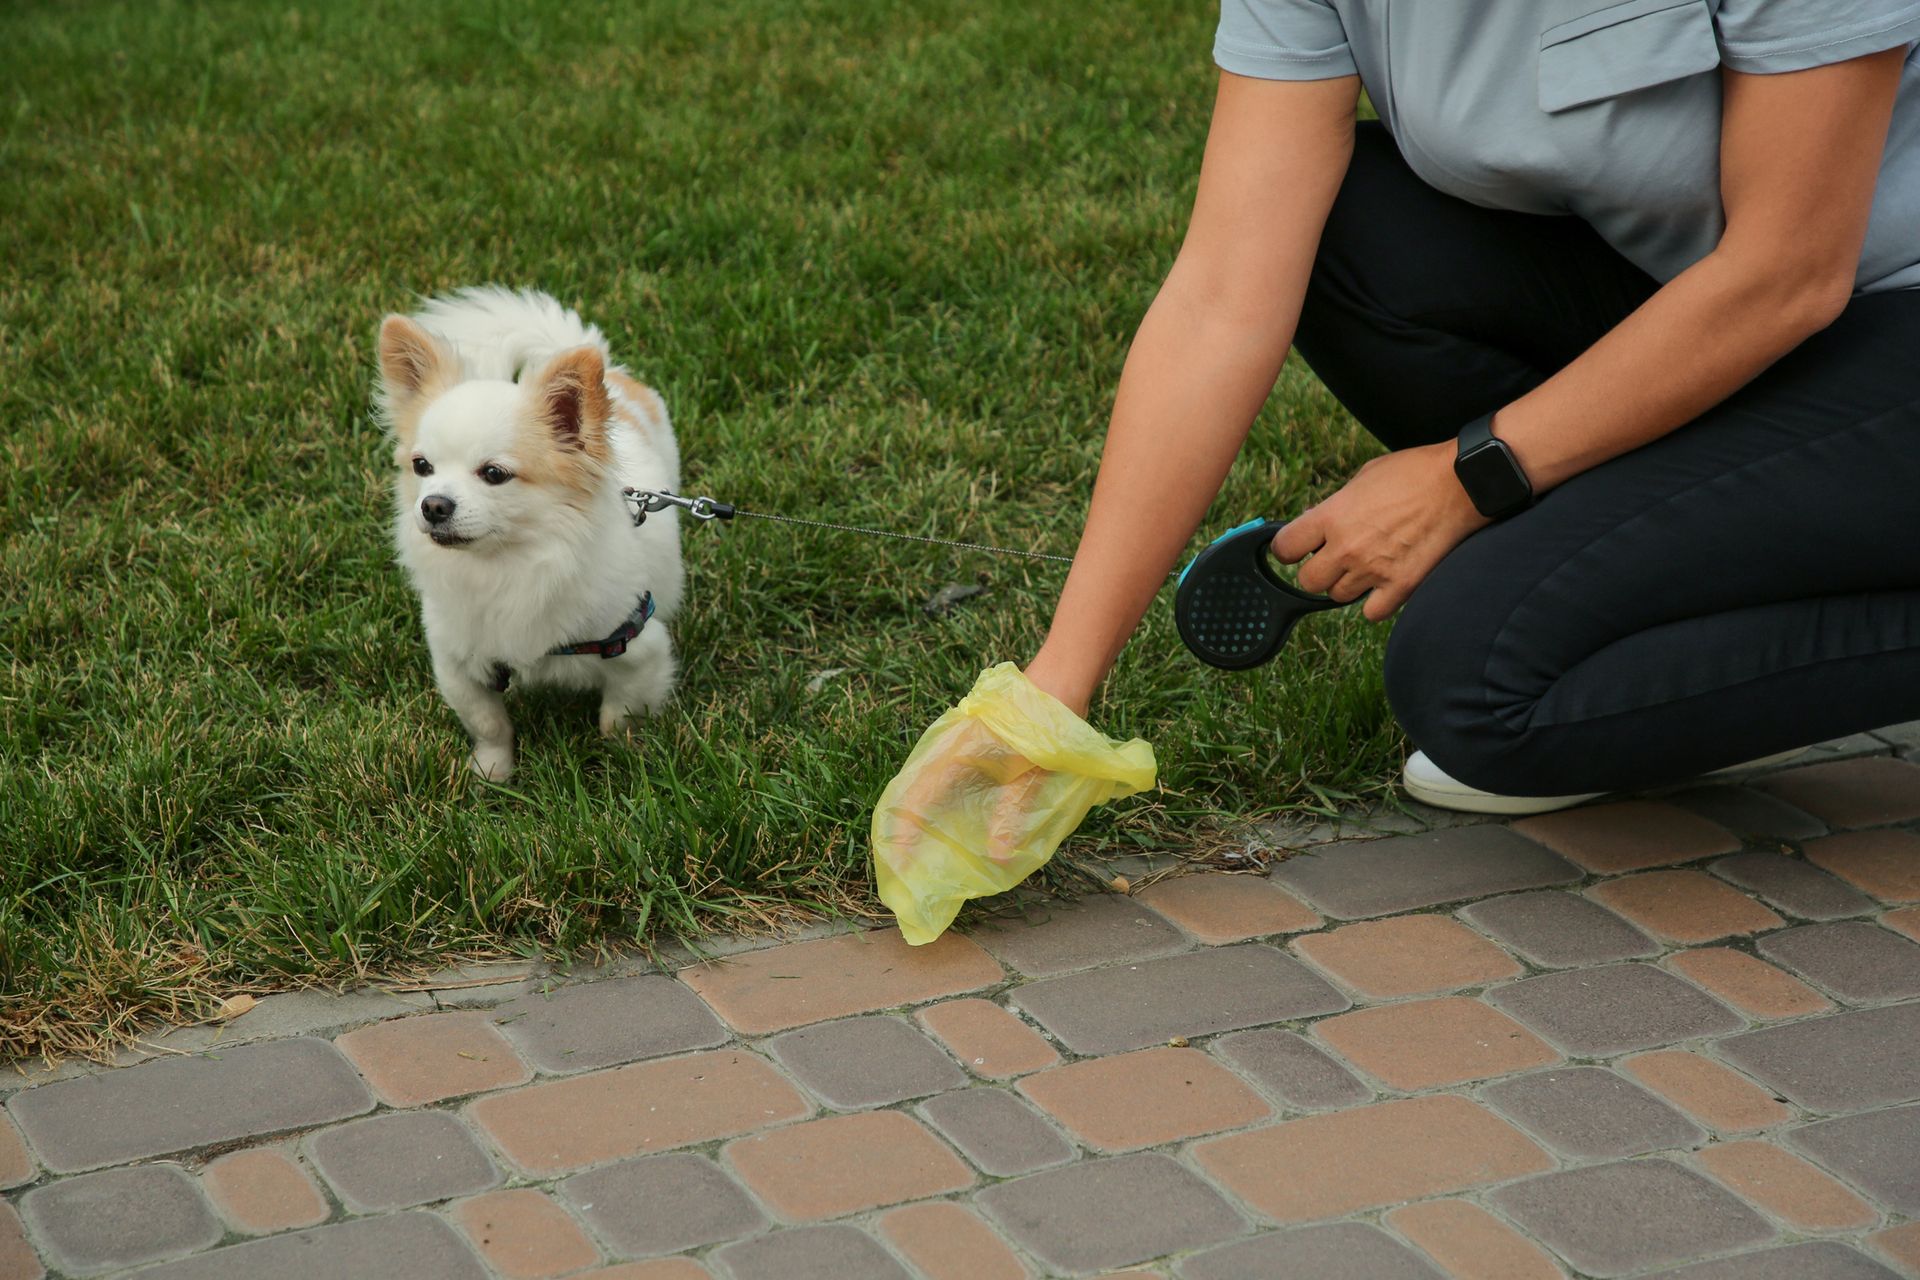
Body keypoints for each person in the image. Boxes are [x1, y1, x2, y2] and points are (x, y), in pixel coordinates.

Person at [1008, 0, 1920, 816]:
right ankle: (1646, 588)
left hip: (1873, 320)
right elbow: (1223, 295)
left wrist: (1466, 479)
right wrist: (1053, 694)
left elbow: (1787, 275)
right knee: (1349, 231)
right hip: (1713, 317)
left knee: (1477, 682)